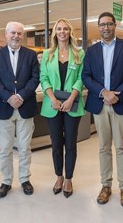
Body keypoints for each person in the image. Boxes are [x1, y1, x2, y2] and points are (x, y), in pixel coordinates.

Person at [82, 12, 123, 207]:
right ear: (98, 27)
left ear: (115, 25)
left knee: (121, 146)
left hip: (121, 103)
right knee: (103, 147)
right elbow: (86, 76)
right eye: (102, 25)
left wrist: (118, 94)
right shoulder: (91, 51)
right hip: (100, 104)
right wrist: (103, 92)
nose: (105, 28)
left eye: (109, 24)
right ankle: (105, 185)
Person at [0, 21, 39, 198]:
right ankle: (6, 181)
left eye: (19, 33)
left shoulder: (31, 55)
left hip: (25, 107)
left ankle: (25, 179)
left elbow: (35, 79)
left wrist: (21, 96)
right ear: (6, 34)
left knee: (25, 147)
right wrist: (9, 97)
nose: (16, 36)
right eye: (13, 33)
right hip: (4, 107)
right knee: (5, 148)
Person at [39, 18, 85, 198]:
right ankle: (59, 176)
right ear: (55, 32)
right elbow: (43, 78)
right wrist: (53, 99)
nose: (62, 32)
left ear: (70, 32)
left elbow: (82, 77)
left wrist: (71, 98)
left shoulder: (79, 54)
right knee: (56, 144)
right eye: (59, 29)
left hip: (72, 105)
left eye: (65, 29)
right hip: (53, 105)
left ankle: (69, 179)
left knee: (71, 143)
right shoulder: (48, 54)